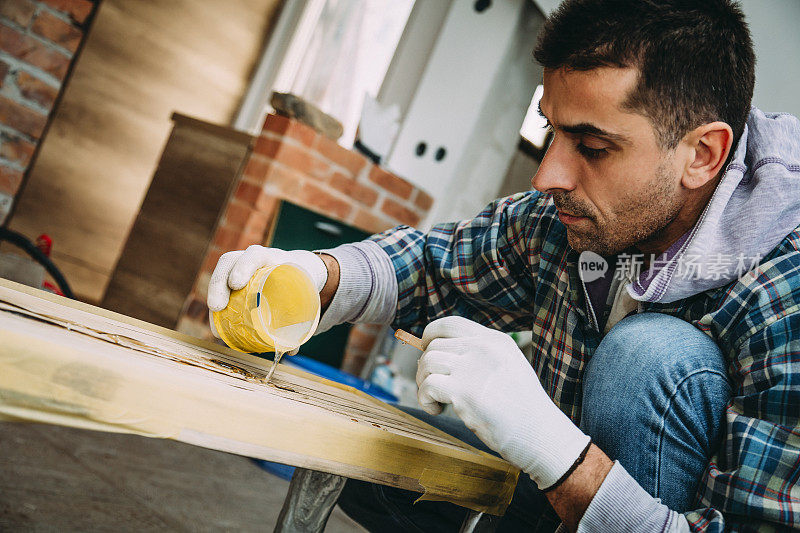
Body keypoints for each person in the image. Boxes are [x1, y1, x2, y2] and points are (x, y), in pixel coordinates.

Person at [207, 0, 800, 530]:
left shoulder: (785, 293)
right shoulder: (569, 218)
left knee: (648, 357)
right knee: (368, 455)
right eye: (551, 133)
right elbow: (433, 265)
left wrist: (556, 453)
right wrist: (315, 276)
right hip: (556, 503)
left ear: (702, 154)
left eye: (592, 148)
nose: (548, 177)